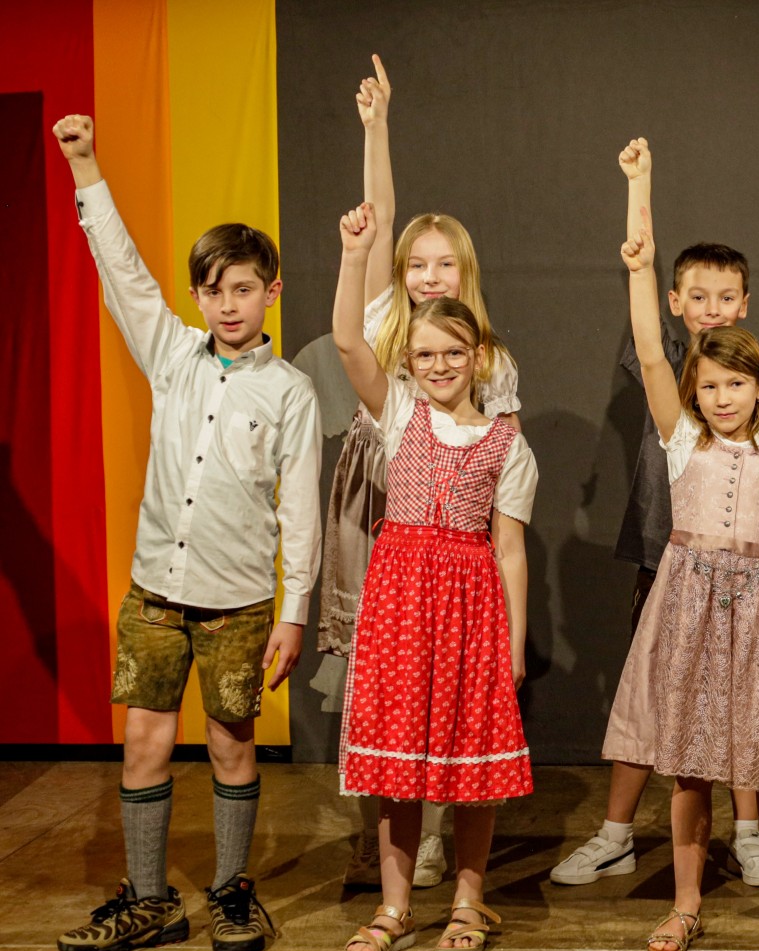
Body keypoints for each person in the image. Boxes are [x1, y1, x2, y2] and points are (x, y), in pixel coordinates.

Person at [51, 114, 320, 951]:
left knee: (233, 745)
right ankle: (147, 900)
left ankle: (233, 892)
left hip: (238, 606)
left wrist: (294, 612)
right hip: (155, 599)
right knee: (144, 741)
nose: (227, 304)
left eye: (243, 288)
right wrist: (86, 166)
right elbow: (124, 273)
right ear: (197, 296)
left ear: (271, 291)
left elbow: (300, 510)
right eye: (213, 290)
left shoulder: (290, 392)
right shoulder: (171, 355)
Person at [603, 200, 759, 951]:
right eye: (709, 388)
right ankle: (685, 905)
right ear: (694, 392)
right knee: (689, 771)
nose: (723, 399)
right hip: (689, 610)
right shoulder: (682, 441)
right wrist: (641, 270)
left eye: (736, 385)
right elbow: (651, 353)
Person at [550, 138, 759, 890]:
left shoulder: (752, 384)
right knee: (649, 694)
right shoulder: (667, 368)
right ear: (677, 303)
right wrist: (640, 188)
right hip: (667, 558)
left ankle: (747, 832)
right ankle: (616, 834)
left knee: (740, 702)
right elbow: (646, 315)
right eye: (698, 296)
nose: (713, 309)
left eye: (727, 297)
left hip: (743, 572)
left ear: (745, 305)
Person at [325, 56, 517, 892]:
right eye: (417, 265)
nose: (429, 277)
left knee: (450, 681)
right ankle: (390, 828)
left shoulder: (489, 361)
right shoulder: (384, 328)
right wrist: (376, 128)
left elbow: (499, 463)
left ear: (465, 276)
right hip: (380, 510)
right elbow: (379, 217)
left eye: (444, 266)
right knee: (385, 678)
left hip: (454, 531)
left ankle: (437, 832)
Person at [332, 203, 536, 951]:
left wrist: (513, 644)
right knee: (398, 768)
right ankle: (394, 908)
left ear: (479, 358)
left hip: (471, 611)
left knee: (469, 764)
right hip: (399, 608)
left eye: (454, 352)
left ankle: (467, 902)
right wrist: (355, 256)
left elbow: (509, 549)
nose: (440, 365)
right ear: (409, 362)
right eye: (425, 354)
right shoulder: (398, 415)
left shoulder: (508, 444)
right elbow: (348, 340)